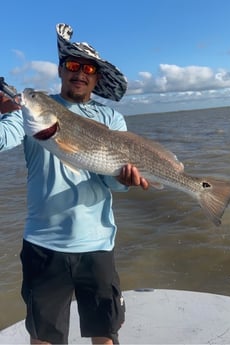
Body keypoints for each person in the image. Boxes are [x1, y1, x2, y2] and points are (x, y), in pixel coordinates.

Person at [0, 23, 149, 345]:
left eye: (88, 68)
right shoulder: (31, 110)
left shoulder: (111, 120)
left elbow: (116, 185)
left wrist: (125, 180)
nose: (79, 72)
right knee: (44, 338)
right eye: (72, 65)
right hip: (43, 243)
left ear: (96, 77)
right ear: (61, 70)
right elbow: (2, 139)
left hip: (97, 244)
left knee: (104, 335)